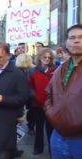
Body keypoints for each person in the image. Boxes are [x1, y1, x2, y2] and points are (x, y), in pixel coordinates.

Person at [45, 24, 82, 158]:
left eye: (81, 37)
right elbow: (48, 95)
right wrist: (52, 114)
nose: (76, 41)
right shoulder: (61, 69)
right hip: (58, 135)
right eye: (72, 38)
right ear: (66, 43)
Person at [29, 48, 55, 155]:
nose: (47, 59)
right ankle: (38, 149)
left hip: (51, 105)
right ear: (40, 58)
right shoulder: (33, 71)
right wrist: (35, 97)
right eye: (45, 57)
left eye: (49, 57)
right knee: (39, 128)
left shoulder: (55, 70)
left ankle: (51, 149)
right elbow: (30, 88)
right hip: (37, 105)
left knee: (51, 129)